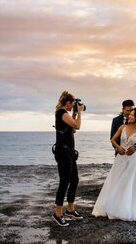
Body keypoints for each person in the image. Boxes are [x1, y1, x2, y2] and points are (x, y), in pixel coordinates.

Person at [92, 108, 136, 221]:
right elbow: (113, 139)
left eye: (132, 115)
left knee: (129, 184)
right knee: (116, 181)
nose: (129, 116)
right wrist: (118, 147)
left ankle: (126, 209)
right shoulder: (122, 127)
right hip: (120, 159)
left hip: (133, 161)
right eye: (130, 114)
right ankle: (113, 205)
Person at [52, 90, 84, 227]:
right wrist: (80, 112)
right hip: (63, 152)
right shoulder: (61, 113)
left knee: (75, 179)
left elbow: (73, 129)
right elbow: (77, 126)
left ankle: (70, 209)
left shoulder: (66, 114)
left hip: (69, 152)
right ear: (68, 103)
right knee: (64, 182)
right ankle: (58, 213)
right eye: (73, 104)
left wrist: (75, 113)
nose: (74, 106)